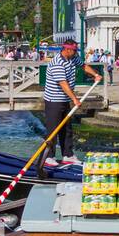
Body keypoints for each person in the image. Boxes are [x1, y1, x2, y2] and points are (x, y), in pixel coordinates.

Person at [41, 39, 98, 169]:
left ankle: (68, 155)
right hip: (53, 101)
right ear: (67, 49)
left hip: (64, 100)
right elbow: (63, 84)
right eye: (74, 50)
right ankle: (49, 157)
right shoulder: (57, 63)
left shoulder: (73, 58)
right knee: (53, 130)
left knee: (67, 129)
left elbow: (83, 65)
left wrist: (95, 74)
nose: (75, 53)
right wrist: (74, 99)